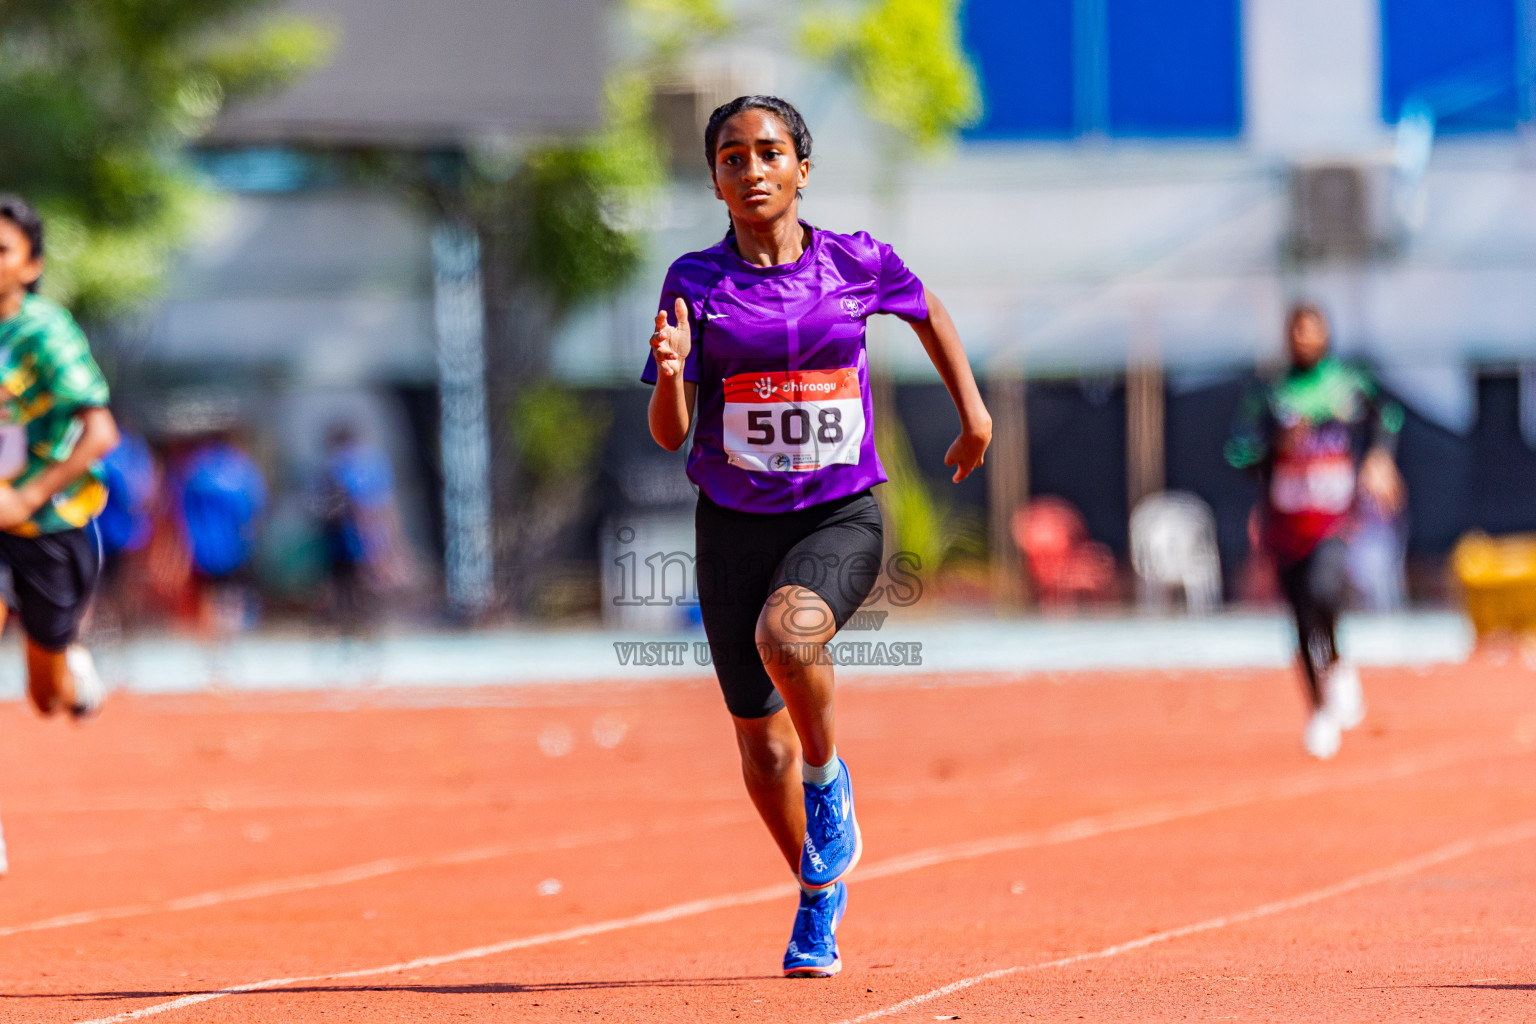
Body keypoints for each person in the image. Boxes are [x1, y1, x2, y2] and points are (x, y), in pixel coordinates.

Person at [643, 96, 991, 977]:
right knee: (760, 748)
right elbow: (668, 429)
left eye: (768, 152)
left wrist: (973, 412)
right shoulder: (693, 281)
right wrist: (675, 377)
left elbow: (931, 312)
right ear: (715, 179)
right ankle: (817, 898)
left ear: (802, 166)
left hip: (841, 513)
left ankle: (829, 780)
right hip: (732, 526)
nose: (751, 169)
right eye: (731, 157)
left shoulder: (856, 261)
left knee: (786, 635)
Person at [1226, 303, 1404, 759]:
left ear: (1326, 333)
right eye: (1297, 331)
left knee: (1326, 589)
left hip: (1332, 516)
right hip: (1285, 521)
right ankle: (1319, 709)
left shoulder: (1347, 381)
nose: (1305, 339)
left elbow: (1389, 415)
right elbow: (1239, 452)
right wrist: (1274, 446)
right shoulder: (1269, 392)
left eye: (1313, 330)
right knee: (1301, 617)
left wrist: (1379, 458)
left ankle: (1339, 662)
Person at [0, 194, 119, 733]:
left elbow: (100, 433)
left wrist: (25, 495)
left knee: (45, 698)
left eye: (1, 250)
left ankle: (68, 669)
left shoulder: (45, 332)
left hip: (49, 522)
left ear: (31, 266)